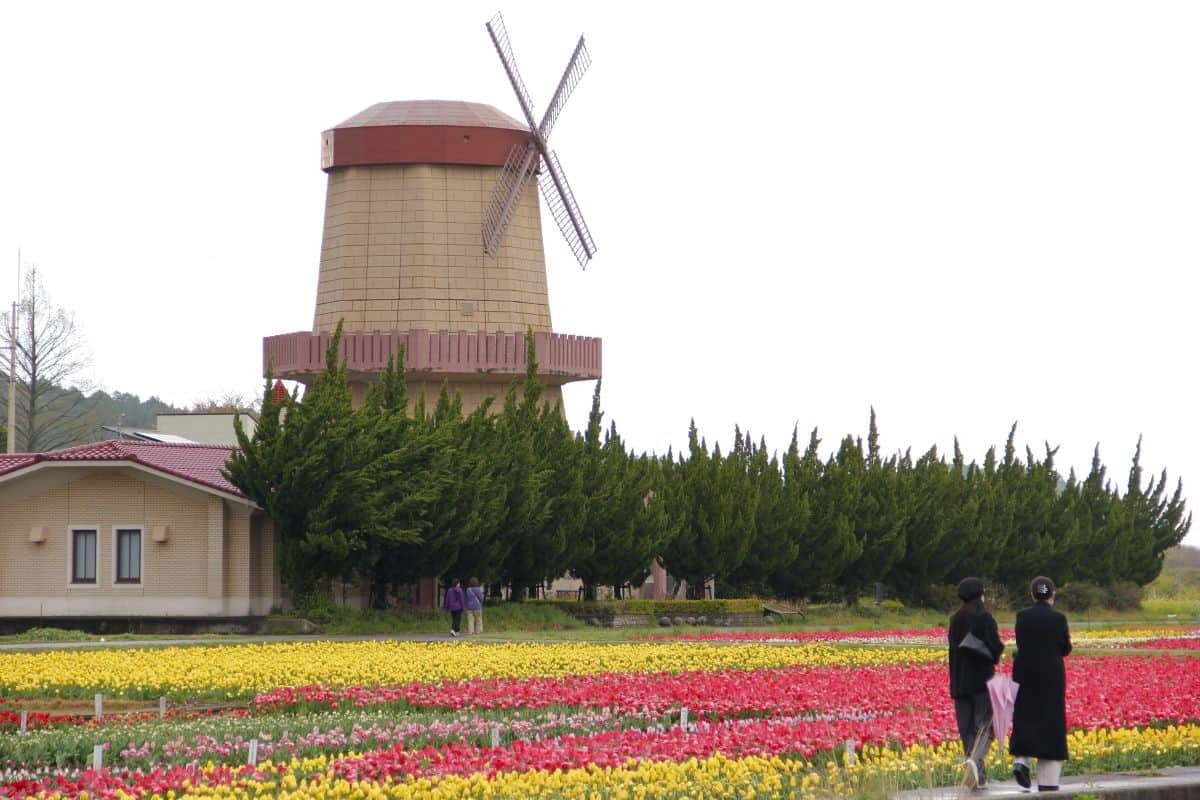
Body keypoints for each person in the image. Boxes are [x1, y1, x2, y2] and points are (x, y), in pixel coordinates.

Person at [1009, 575, 1072, 792]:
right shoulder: (1059, 618)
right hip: (1051, 675)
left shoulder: (1022, 616)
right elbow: (1065, 648)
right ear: (1053, 595)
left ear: (1032, 595)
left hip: (1025, 672)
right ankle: (1048, 783)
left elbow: (1021, 642)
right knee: (1050, 722)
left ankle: (1021, 759)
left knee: (1026, 714)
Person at [948, 576, 1005, 789]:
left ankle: (976, 776)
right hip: (981, 682)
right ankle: (976, 764)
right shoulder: (984, 617)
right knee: (984, 726)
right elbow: (993, 649)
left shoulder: (955, 619)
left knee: (967, 728)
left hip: (960, 682)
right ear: (980, 594)